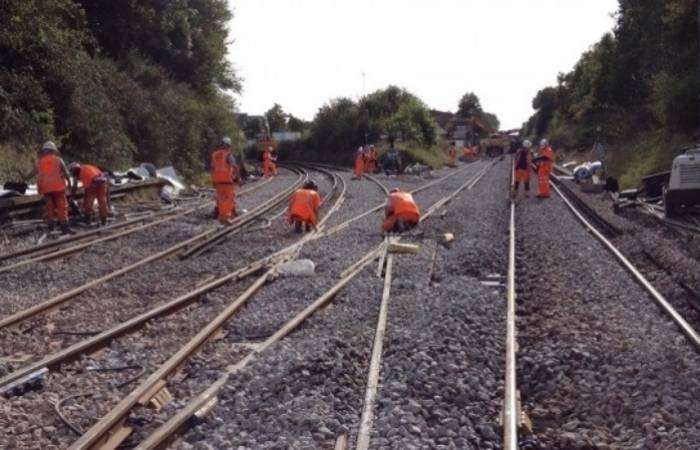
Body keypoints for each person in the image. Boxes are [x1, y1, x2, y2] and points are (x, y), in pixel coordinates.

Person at [36, 141, 73, 234]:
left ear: (44, 151)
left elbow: (37, 175)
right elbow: (66, 172)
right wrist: (69, 183)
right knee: (62, 207)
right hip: (58, 187)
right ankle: (64, 227)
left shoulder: (40, 162)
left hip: (46, 188)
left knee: (49, 207)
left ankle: (51, 227)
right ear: (53, 151)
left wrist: (39, 188)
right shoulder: (58, 160)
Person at [211, 137, 239, 225]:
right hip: (227, 181)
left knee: (221, 199)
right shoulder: (228, 155)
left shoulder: (215, 155)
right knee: (228, 199)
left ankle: (222, 216)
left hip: (218, 181)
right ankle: (225, 217)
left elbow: (212, 168)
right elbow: (235, 167)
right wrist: (239, 178)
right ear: (228, 145)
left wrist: (213, 180)